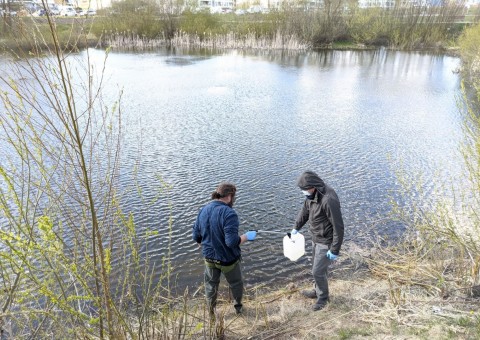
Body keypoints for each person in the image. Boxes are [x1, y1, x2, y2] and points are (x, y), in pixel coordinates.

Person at [192, 182, 256, 316]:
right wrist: (246, 236)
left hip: (209, 258)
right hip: (228, 260)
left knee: (210, 286)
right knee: (236, 283)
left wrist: (201, 242)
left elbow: (196, 236)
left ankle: (211, 313)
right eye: (234, 197)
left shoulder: (203, 210)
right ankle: (238, 308)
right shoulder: (229, 213)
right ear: (229, 196)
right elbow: (232, 242)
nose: (234, 200)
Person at [290, 171, 345, 311]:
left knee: (317, 271)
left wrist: (335, 249)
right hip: (316, 238)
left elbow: (338, 226)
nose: (303, 192)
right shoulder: (311, 195)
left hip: (326, 241)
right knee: (318, 268)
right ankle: (317, 290)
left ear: (313, 186)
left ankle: (323, 298)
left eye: (304, 189)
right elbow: (305, 212)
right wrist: (296, 227)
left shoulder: (328, 199)